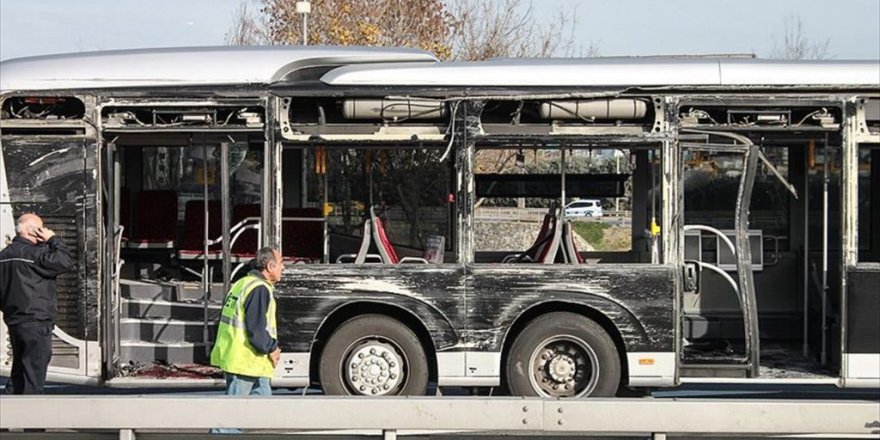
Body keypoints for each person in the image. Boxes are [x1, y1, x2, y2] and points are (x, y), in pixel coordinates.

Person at [210, 246, 283, 434]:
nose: (283, 268)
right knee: (229, 422)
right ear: (270, 266)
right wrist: (272, 348)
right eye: (281, 263)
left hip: (250, 361)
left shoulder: (242, 283)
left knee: (262, 413)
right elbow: (256, 330)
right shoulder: (259, 289)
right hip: (246, 361)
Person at [0, 213, 75, 394]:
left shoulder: (3, 256)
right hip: (36, 320)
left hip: (14, 320)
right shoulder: (36, 255)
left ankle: (9, 408)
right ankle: (32, 411)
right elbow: (65, 261)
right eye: (41, 228)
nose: (44, 231)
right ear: (32, 230)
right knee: (33, 373)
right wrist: (53, 239)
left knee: (20, 371)